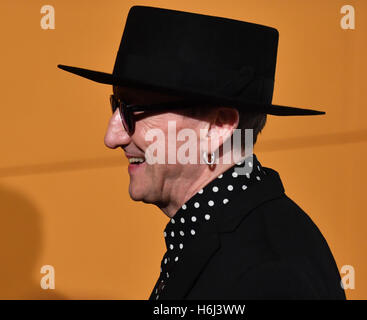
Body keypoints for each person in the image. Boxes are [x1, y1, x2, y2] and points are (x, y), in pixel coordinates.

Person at [57, 6, 346, 300]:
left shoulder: (268, 275)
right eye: (115, 105)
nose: (112, 137)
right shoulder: (228, 232)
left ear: (218, 127)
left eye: (133, 110)